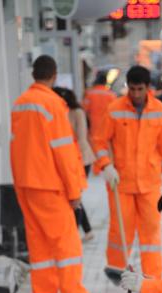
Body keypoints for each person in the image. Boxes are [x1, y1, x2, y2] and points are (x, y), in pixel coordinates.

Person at [10, 55, 99, 293]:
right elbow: (63, 150)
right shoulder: (52, 103)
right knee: (66, 239)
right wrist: (74, 190)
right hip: (49, 183)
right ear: (54, 75)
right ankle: (73, 292)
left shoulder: (20, 103)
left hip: (26, 183)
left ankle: (45, 292)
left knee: (38, 240)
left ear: (33, 75)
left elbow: (18, 146)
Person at [93, 65, 162, 279]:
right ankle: (116, 271)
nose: (136, 94)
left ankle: (152, 277)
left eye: (140, 89)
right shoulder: (115, 108)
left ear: (148, 87)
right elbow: (99, 141)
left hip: (149, 182)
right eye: (132, 89)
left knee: (151, 231)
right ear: (127, 87)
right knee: (121, 231)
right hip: (120, 181)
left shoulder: (159, 109)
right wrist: (106, 165)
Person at [53, 86, 95, 242]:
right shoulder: (60, 113)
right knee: (74, 196)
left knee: (75, 195)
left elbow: (81, 137)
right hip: (70, 158)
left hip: (81, 158)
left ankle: (77, 230)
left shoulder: (77, 112)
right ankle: (87, 229)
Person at [83, 71, 116, 143]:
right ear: (105, 82)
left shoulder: (89, 94)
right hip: (107, 130)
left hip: (93, 130)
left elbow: (84, 111)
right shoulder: (111, 95)